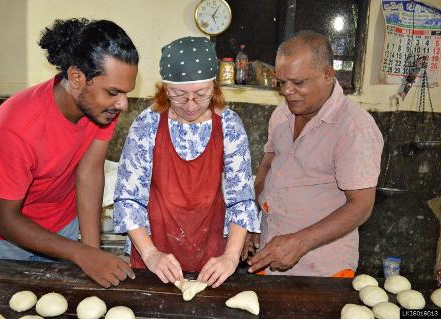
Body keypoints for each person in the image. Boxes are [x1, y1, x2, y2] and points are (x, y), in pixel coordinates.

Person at [0, 18, 139, 288]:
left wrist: (91, 251)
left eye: (125, 93)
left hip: (62, 220)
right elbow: (4, 219)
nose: (122, 104)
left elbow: (90, 172)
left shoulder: (101, 110)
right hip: (9, 235)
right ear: (76, 77)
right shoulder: (16, 127)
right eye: (113, 92)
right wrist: (80, 253)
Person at [113, 36, 260, 288]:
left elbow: (241, 199)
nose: (191, 105)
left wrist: (231, 256)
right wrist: (149, 253)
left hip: (211, 253)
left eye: (201, 94)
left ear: (214, 88)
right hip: (154, 250)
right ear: (165, 88)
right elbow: (128, 198)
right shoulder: (147, 124)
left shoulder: (229, 125)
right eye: (179, 95)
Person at [242, 30, 384, 277]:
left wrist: (299, 243)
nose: (287, 91)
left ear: (328, 74)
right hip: (270, 254)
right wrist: (252, 221)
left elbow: (361, 206)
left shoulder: (354, 127)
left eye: (298, 83)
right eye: (281, 82)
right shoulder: (282, 115)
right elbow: (267, 167)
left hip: (322, 269)